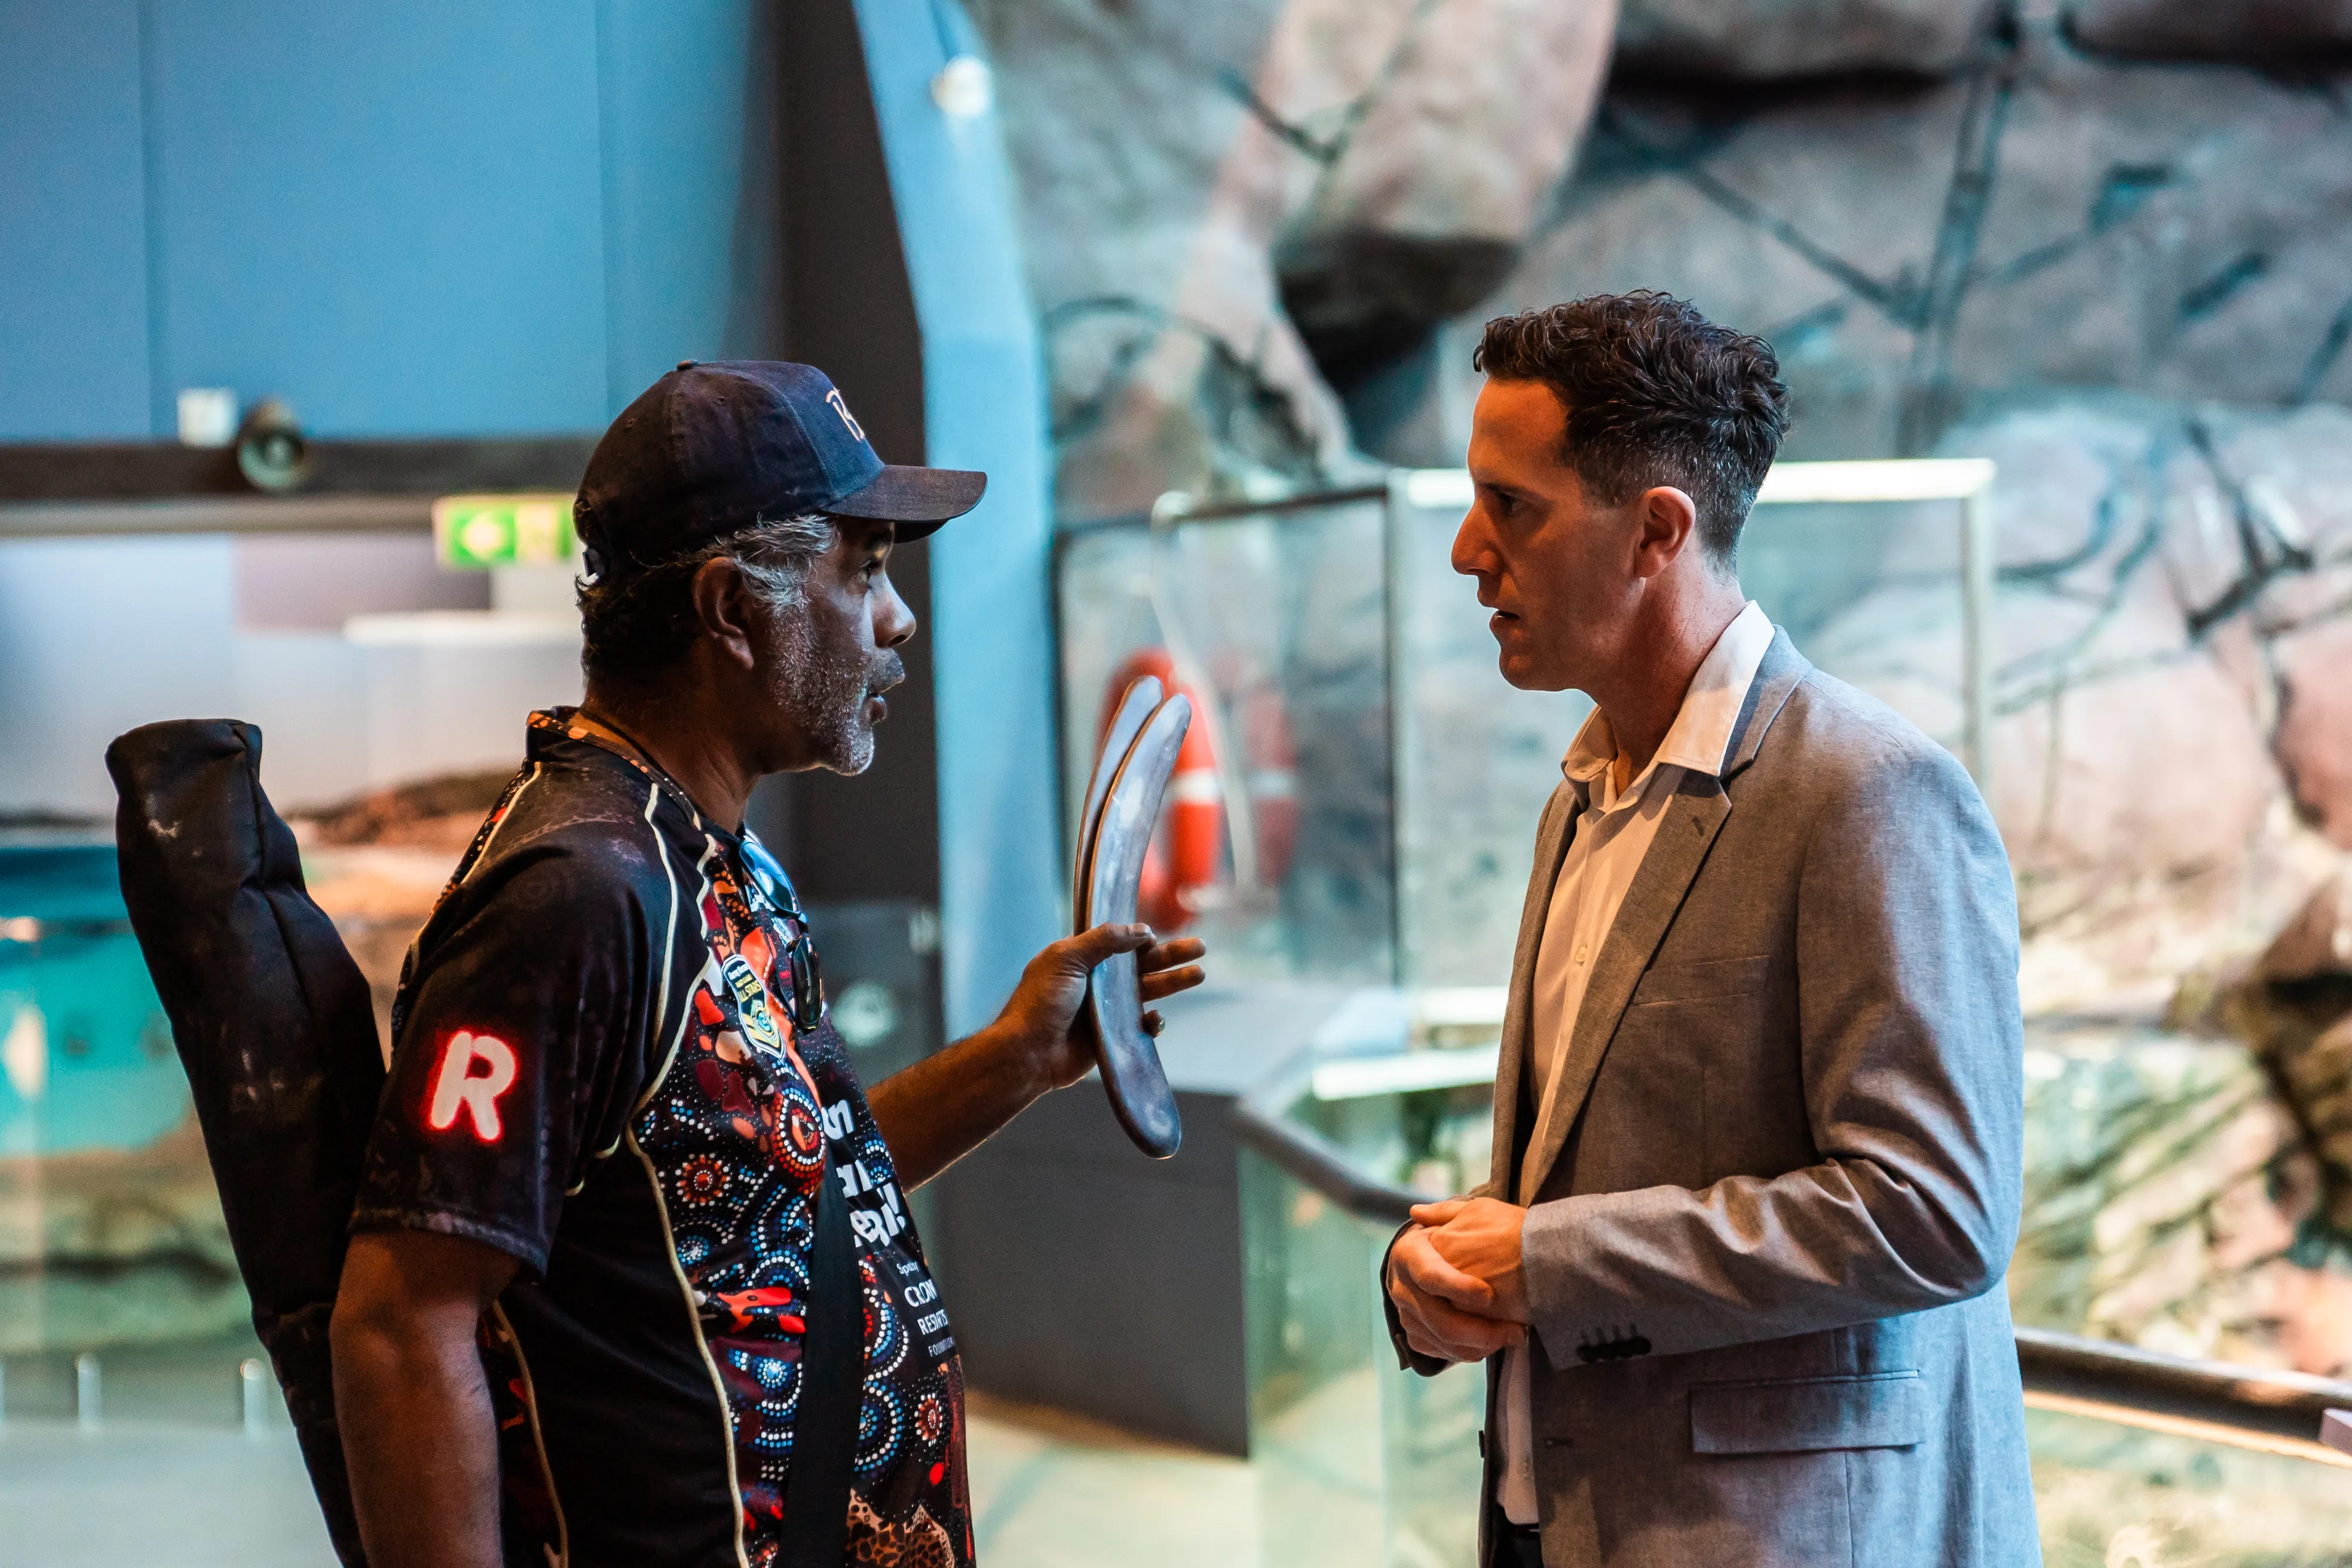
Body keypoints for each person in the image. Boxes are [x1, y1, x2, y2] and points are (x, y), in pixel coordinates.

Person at [329, 360, 1206, 1568]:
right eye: (864, 568)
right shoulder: (580, 896)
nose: (897, 618)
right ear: (733, 609)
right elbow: (401, 1323)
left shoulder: (710, 860)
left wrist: (1015, 1060)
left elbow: (788, 1202)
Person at [1383, 295, 2037, 1567]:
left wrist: (1552, 1263)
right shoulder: (1579, 797)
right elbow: (1575, 1190)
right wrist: (1443, 1286)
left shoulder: (1866, 788)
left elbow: (1938, 1208)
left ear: (1656, 534)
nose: (1469, 550)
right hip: (1549, 1523)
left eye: (1511, 505)